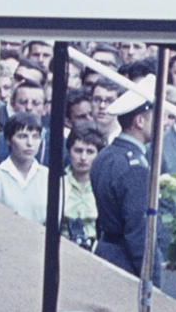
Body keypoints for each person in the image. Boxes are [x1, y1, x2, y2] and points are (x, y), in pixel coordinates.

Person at [91, 83, 159, 278]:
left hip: (106, 252)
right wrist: (151, 278)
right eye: (155, 117)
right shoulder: (134, 167)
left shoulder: (106, 155)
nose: (160, 124)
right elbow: (139, 231)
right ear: (140, 121)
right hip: (126, 262)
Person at [0, 111, 49, 224]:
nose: (30, 143)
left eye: (35, 137)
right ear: (8, 140)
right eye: (23, 136)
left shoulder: (48, 176)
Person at [60, 120, 107, 250]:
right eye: (78, 150)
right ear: (69, 151)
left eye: (90, 152)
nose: (83, 158)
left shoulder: (104, 186)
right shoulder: (59, 183)